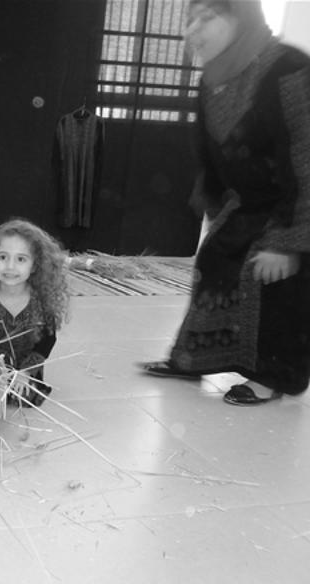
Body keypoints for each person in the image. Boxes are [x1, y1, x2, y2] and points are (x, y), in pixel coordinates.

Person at [139, 0, 310, 406]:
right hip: (247, 204)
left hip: (293, 204)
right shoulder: (212, 79)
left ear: (240, 18)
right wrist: (214, 201)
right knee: (215, 261)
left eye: (207, 18)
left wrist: (287, 242)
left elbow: (305, 157)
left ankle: (273, 375)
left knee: (276, 283)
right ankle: (196, 357)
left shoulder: (289, 67)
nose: (192, 30)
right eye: (189, 20)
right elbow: (209, 152)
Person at [0, 219, 69, 406]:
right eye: (2, 257)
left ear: (35, 265)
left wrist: (25, 373)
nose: (10, 266)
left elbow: (46, 342)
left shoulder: (41, 301)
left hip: (26, 367)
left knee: (24, 397)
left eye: (21, 259)